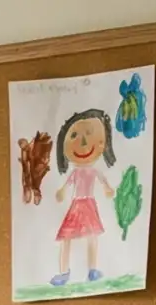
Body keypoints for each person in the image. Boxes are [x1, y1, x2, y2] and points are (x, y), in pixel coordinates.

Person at [50, 108, 115, 287]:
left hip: (87, 204)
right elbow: (66, 186)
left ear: (103, 143)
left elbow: (103, 182)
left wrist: (108, 189)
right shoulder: (76, 172)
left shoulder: (93, 171)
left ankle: (92, 270)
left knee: (92, 236)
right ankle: (64, 272)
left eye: (89, 134)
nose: (84, 142)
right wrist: (62, 192)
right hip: (77, 205)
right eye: (75, 136)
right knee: (66, 237)